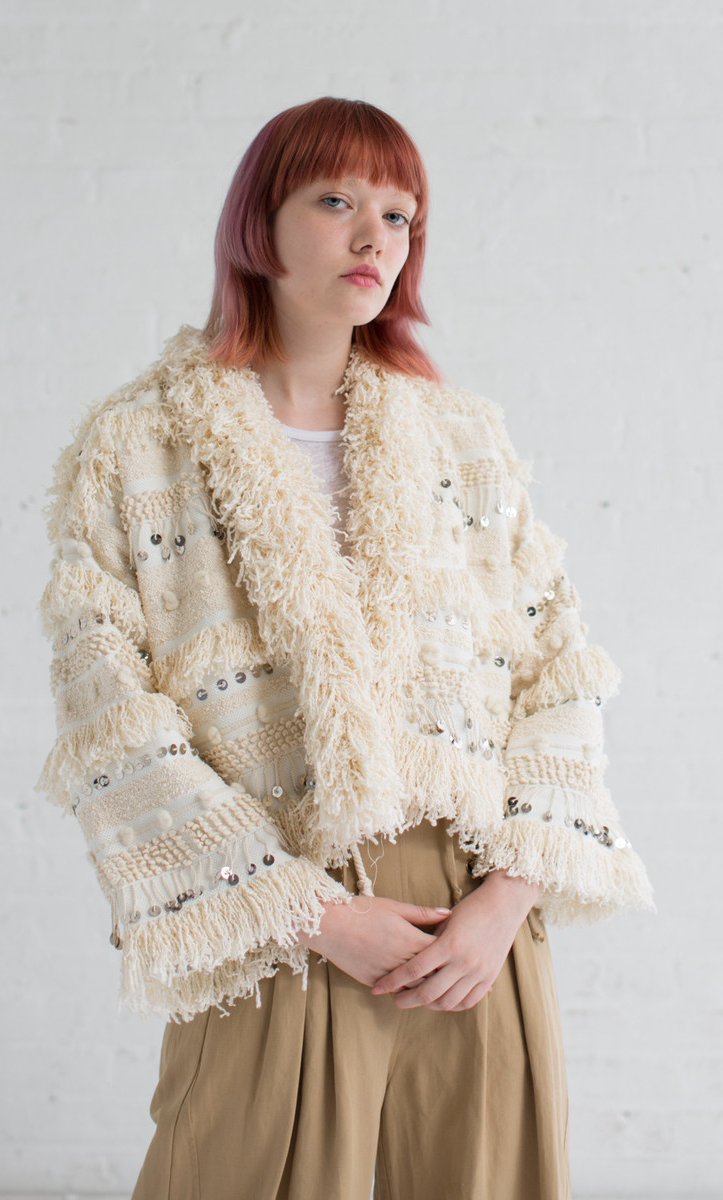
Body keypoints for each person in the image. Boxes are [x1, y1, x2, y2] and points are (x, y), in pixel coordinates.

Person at [39, 97, 654, 1200]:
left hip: (472, 923)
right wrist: (312, 913)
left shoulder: (460, 438)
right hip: (274, 913)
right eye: (335, 201)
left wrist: (504, 903)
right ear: (258, 223)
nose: (374, 237)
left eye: (399, 214)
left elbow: (559, 671)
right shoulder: (137, 447)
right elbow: (110, 718)